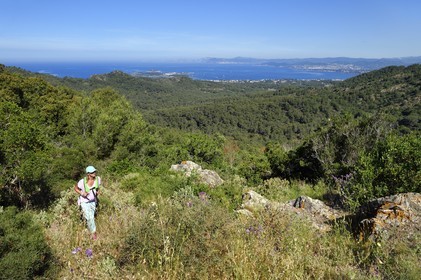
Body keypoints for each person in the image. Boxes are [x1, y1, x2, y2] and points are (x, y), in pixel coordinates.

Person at [74, 165, 101, 240]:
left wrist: (98, 192)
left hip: (93, 202)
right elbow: (76, 188)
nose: (94, 173)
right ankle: (94, 235)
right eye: (92, 172)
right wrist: (82, 193)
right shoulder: (82, 182)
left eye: (94, 171)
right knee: (90, 218)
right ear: (88, 174)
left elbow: (98, 188)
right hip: (84, 202)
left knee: (90, 218)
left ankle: (90, 231)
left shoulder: (98, 179)